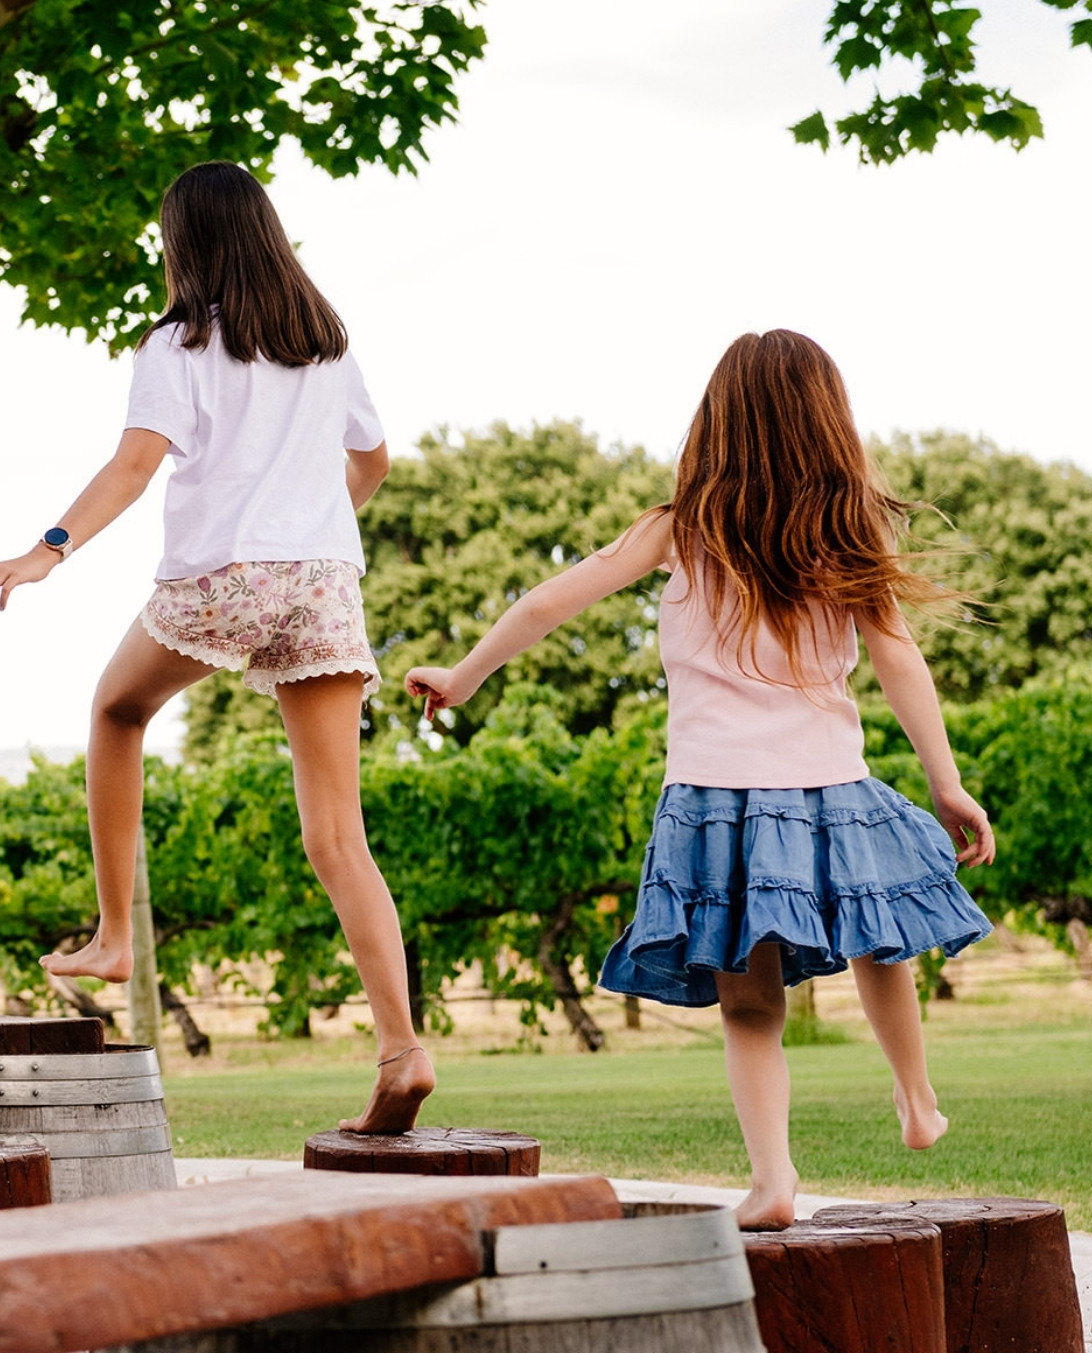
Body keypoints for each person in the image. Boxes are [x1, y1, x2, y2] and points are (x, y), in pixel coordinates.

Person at [403, 329, 996, 1227]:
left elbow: (548, 601)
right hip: (829, 787)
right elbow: (900, 659)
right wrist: (944, 782)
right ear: (829, 425)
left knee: (750, 1004)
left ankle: (774, 1181)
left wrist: (464, 674)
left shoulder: (679, 529)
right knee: (882, 935)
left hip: (717, 803)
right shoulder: (845, 532)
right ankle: (916, 1098)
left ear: (716, 420)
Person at [0, 161, 433, 1134]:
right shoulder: (324, 346)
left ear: (185, 245)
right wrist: (309, 527)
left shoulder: (176, 344)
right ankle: (403, 1049)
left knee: (115, 710)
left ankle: (111, 937)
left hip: (225, 577)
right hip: (322, 584)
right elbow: (373, 462)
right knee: (338, 838)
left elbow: (134, 465)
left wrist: (43, 552)